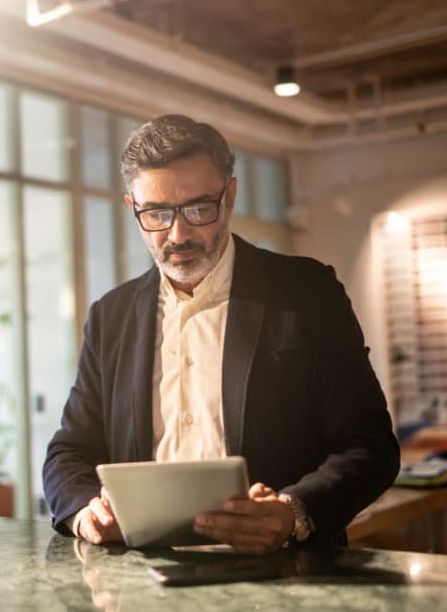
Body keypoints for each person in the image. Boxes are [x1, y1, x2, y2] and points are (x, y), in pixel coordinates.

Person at [42, 114, 399, 553]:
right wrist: (84, 512)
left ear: (229, 195)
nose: (177, 234)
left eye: (197, 209)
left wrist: (292, 512)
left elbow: (370, 447)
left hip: (286, 576)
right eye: (156, 213)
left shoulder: (307, 293)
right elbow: (68, 452)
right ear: (132, 207)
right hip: (145, 582)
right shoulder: (110, 317)